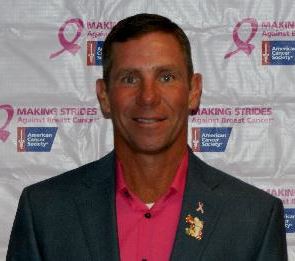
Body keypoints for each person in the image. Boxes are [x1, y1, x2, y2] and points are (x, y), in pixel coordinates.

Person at [7, 13, 287, 261]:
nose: (148, 96)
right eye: (130, 78)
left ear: (193, 91)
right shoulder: (45, 212)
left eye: (166, 77)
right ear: (104, 96)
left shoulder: (254, 218)